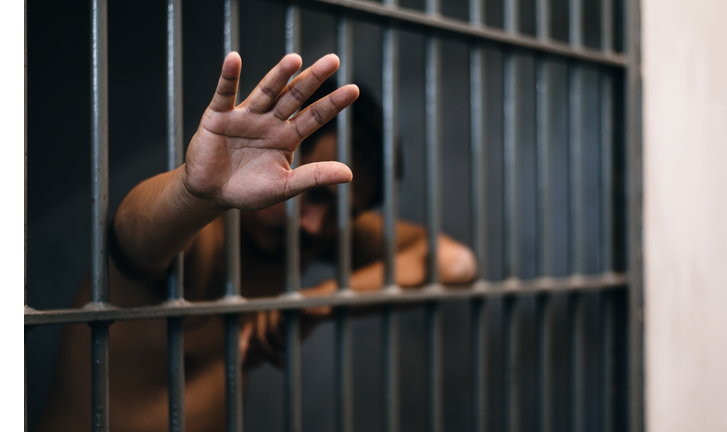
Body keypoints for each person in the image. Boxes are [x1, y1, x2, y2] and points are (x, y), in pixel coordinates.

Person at [37, 52, 477, 432]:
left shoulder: (313, 235)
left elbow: (455, 264)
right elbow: (131, 239)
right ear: (278, 157)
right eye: (311, 191)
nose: (316, 225)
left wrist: (322, 298)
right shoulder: (203, 238)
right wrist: (192, 194)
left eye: (342, 213)